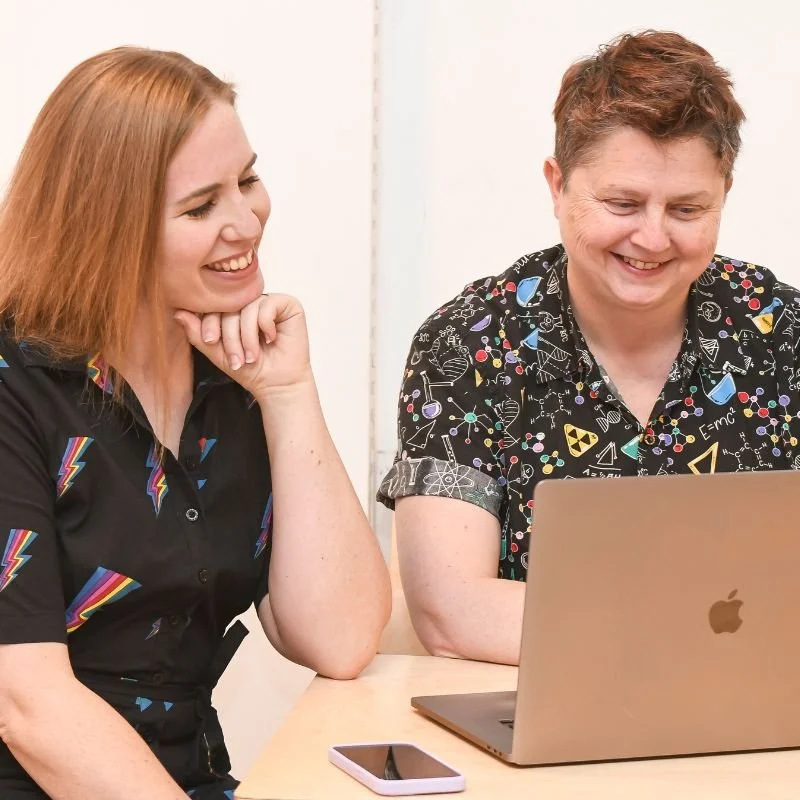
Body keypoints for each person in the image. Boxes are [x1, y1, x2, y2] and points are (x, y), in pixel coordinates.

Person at [0, 48, 391, 799]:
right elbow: (28, 705)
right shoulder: (16, 388)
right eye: (200, 206)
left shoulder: (234, 375)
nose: (246, 221)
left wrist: (289, 393)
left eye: (246, 179)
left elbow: (340, 640)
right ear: (104, 228)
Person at [378, 29, 800, 666]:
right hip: (539, 724)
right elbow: (450, 610)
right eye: (622, 203)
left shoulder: (781, 332)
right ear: (557, 185)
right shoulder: (468, 344)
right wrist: (698, 637)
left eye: (687, 209)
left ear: (724, 196)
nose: (652, 238)